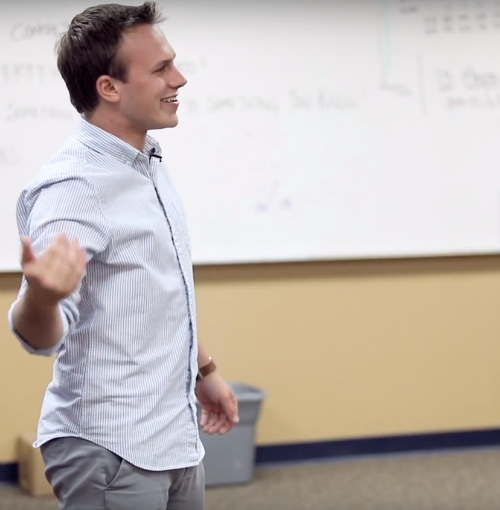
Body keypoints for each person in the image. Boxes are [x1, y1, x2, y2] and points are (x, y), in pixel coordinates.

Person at [7, 2, 239, 509]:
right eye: (160, 69)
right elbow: (36, 334)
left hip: (174, 436)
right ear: (108, 87)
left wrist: (205, 371)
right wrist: (45, 299)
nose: (179, 78)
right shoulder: (74, 187)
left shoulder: (146, 161)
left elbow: (157, 292)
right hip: (112, 448)